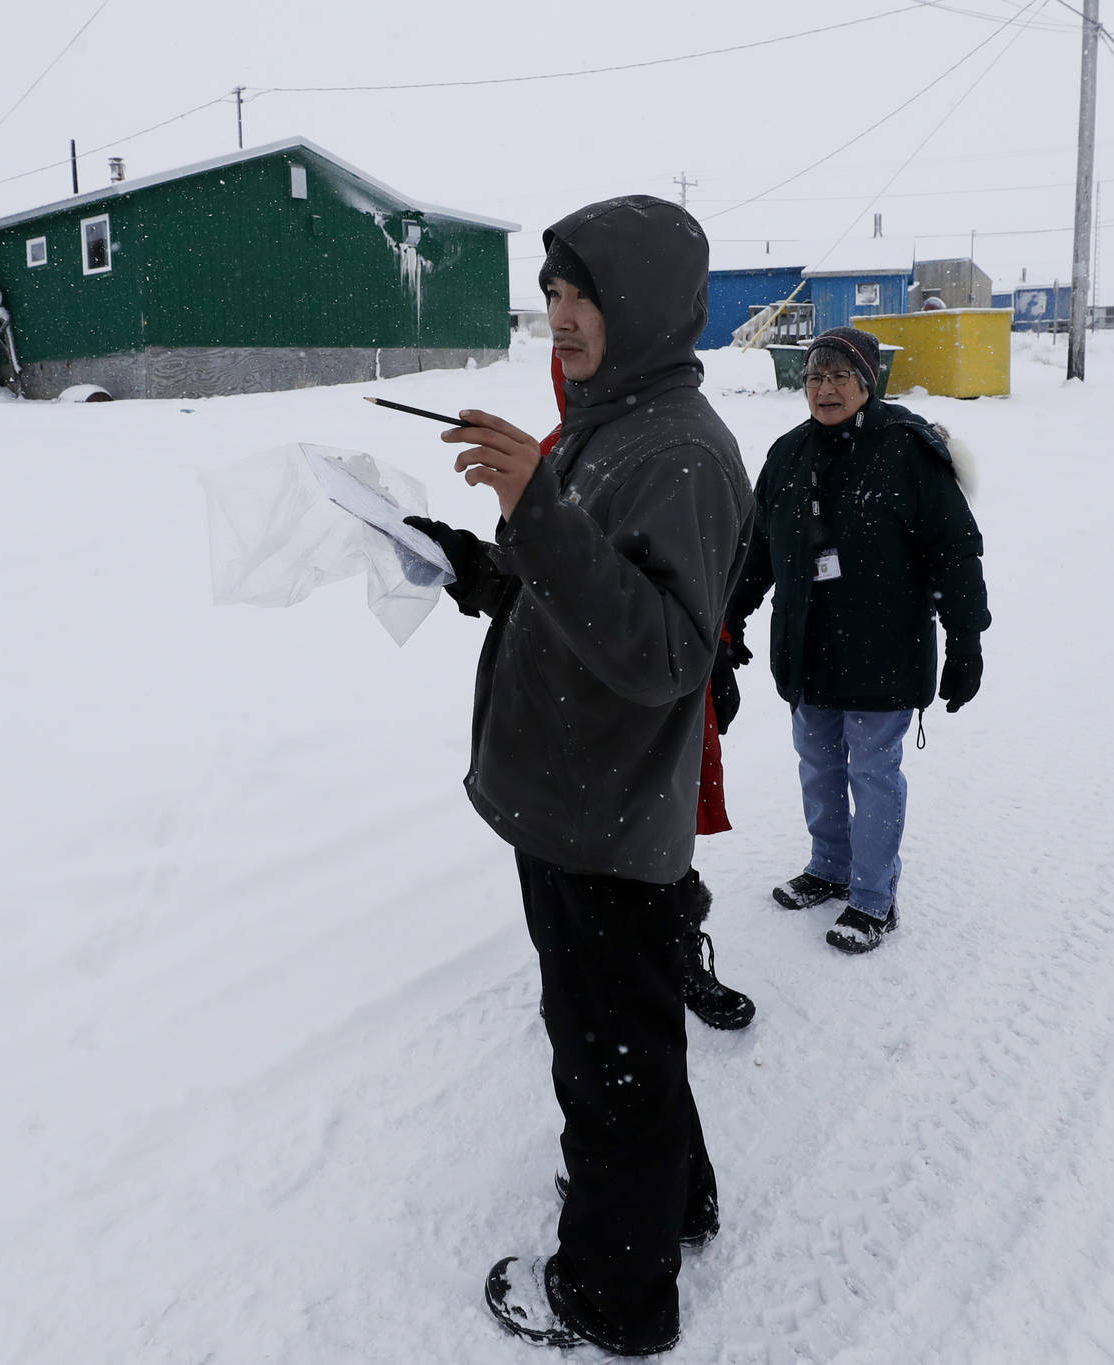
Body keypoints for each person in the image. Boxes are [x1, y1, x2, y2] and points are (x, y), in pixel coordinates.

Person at [403, 196, 754, 1357]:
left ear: (640, 303)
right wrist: (479, 561)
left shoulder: (680, 453)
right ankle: (672, 1205)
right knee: (625, 1041)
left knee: (606, 1063)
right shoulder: (607, 425)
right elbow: (566, 586)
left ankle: (613, 1294)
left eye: (581, 295)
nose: (558, 316)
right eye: (550, 293)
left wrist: (536, 509)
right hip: (566, 794)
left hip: (604, 816)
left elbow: (662, 654)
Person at [723, 326, 989, 954]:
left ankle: (873, 897)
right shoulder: (788, 454)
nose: (826, 388)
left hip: (883, 647)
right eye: (815, 376)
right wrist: (730, 617)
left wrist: (965, 640)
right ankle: (829, 866)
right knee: (817, 763)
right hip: (808, 645)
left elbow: (955, 550)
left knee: (872, 770)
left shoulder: (906, 450)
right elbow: (757, 548)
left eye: (841, 376)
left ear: (868, 383)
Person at [536, 352, 756, 1032]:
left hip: (659, 689)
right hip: (575, 696)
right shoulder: (553, 455)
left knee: (663, 829)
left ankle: (678, 956)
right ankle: (585, 977)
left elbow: (685, 579)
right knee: (580, 851)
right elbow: (536, 584)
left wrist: (718, 650)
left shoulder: (673, 449)